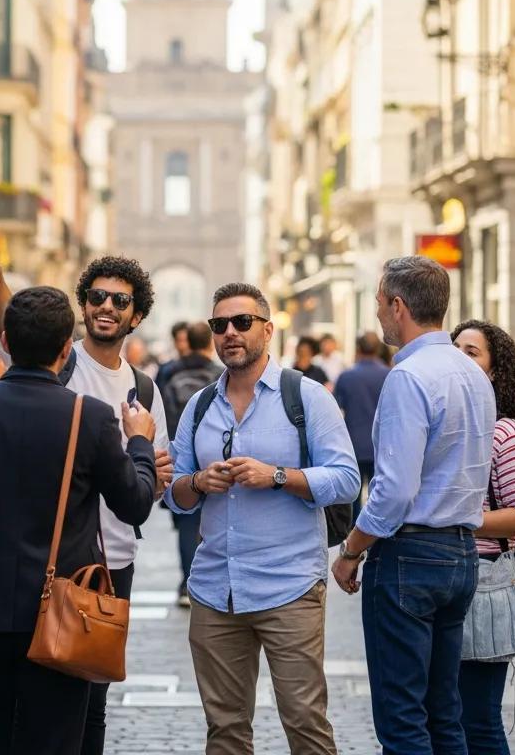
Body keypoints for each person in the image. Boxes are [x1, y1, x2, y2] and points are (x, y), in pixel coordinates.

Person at [0, 285, 159, 754]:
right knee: (51, 742)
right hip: (58, 615)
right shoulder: (90, 416)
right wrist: (141, 444)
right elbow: (135, 505)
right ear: (66, 347)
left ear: (4, 341)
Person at [0, 230, 172, 755]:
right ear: (82, 306)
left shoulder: (144, 389)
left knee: (90, 695)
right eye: (97, 297)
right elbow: (10, 323)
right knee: (30, 698)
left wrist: (153, 470)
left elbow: (156, 474)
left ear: (135, 316)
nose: (106, 307)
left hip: (109, 561)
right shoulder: (59, 361)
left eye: (119, 301)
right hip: (45, 554)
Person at [168, 282, 359, 755]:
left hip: (289, 586)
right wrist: (198, 483)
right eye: (220, 325)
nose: (230, 332)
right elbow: (173, 495)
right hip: (215, 588)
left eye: (242, 322)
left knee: (305, 724)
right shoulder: (201, 406)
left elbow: (347, 478)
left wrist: (276, 475)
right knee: (226, 731)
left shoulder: (306, 396)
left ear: (268, 330)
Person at [331, 256, 496, 754]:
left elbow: (394, 490)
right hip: (461, 554)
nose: (378, 315)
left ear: (398, 306)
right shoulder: (472, 375)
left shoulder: (408, 377)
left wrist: (351, 548)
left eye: (380, 304)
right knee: (444, 712)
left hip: (410, 555)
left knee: (403, 718)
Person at [451, 319, 515, 754]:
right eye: (454, 349)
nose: (458, 357)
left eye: (472, 352)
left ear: (493, 371)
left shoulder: (505, 433)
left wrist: (460, 518)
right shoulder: (445, 426)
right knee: (448, 715)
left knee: (479, 718)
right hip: (444, 578)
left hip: (485, 583)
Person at [161, 321, 223, 606]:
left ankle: (188, 582)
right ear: (209, 342)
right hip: (214, 453)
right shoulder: (218, 373)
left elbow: (161, 411)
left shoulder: (168, 371)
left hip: (179, 455)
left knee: (186, 522)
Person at [332, 332, 389, 519]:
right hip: (381, 446)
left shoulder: (347, 376)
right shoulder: (389, 374)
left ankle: (354, 535)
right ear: (379, 349)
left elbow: (335, 410)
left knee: (353, 494)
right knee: (379, 495)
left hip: (353, 444)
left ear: (358, 349)